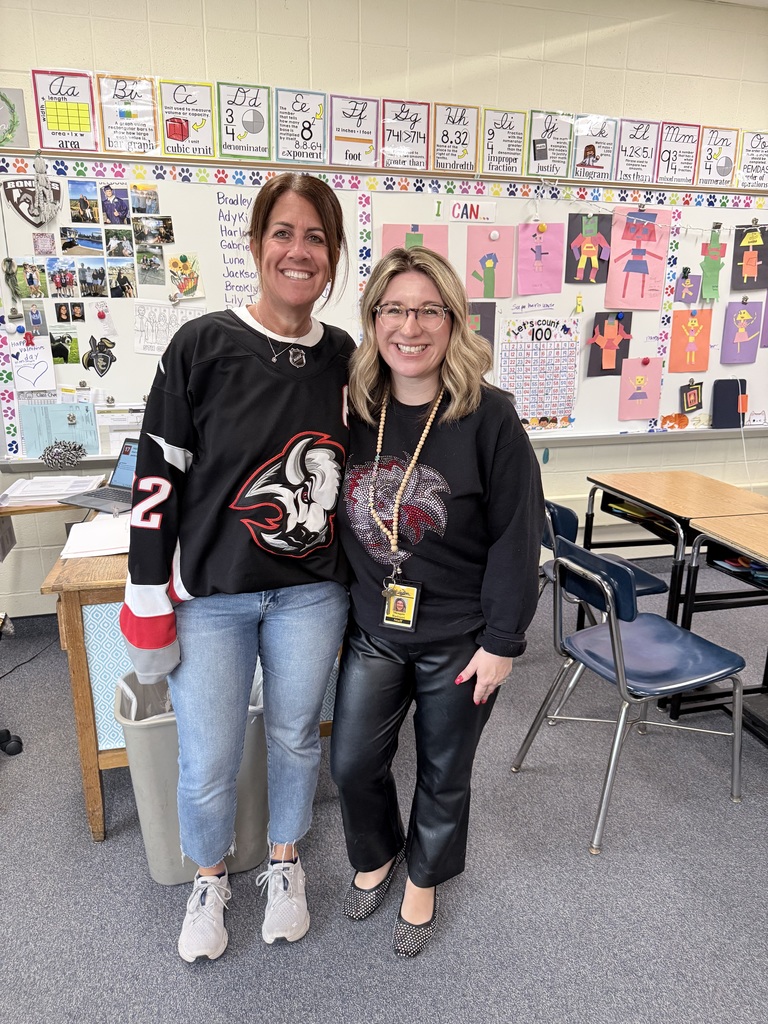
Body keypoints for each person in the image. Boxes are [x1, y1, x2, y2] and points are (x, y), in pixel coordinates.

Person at [119, 172, 354, 964]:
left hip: (310, 596)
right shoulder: (203, 344)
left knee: (294, 737)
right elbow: (155, 481)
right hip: (213, 599)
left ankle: (284, 865)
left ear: (332, 257)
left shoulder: (346, 359)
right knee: (208, 755)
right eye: (283, 233)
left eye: (316, 237)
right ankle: (209, 877)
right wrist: (147, 597)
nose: (299, 250)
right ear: (256, 247)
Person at [330, 246, 544, 958]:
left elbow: (519, 535)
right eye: (394, 309)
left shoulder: (491, 418)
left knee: (445, 772)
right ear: (373, 320)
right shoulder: (356, 406)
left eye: (428, 309)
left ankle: (424, 878)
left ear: (453, 321)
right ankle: (380, 852)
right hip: (375, 628)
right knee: (354, 763)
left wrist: (504, 643)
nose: (410, 326)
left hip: (463, 636)